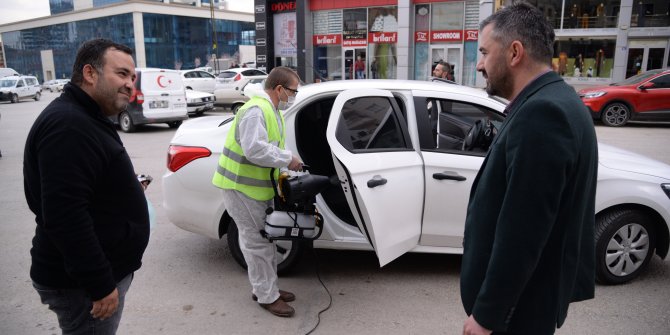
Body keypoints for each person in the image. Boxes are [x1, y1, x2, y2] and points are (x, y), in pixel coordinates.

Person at [460, 3, 598, 335]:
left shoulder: (543, 114)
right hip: (527, 304)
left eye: (483, 52)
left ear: (514, 52)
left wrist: (486, 317)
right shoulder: (559, 99)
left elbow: (522, 234)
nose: (479, 64)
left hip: (518, 313)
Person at [23, 38, 150, 334]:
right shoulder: (69, 126)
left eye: (132, 77)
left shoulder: (86, 116)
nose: (130, 84)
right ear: (90, 74)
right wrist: (100, 285)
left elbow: (83, 187)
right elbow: (64, 215)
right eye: (121, 74)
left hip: (91, 276)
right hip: (82, 286)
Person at [212, 66, 303, 317]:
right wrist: (288, 159)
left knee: (264, 240)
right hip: (241, 188)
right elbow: (255, 149)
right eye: (293, 91)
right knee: (258, 242)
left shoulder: (271, 110)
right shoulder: (256, 110)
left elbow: (267, 149)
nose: (294, 95)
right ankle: (266, 296)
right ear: (279, 89)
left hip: (254, 189)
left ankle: (266, 287)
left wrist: (284, 168)